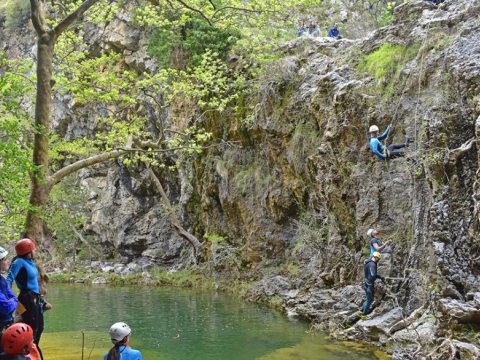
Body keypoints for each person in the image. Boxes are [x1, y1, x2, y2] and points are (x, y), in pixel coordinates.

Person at [6, 239, 45, 345]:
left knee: (40, 327)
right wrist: (8, 296)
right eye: (33, 249)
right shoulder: (18, 262)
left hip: (35, 297)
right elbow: (9, 280)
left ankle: (34, 348)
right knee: (32, 326)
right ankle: (28, 350)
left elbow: (34, 280)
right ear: (28, 251)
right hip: (26, 298)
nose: (35, 251)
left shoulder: (30, 261)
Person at [359, 251, 385, 316]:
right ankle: (364, 315)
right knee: (370, 300)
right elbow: (373, 275)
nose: (379, 260)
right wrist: (377, 277)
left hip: (366, 282)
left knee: (368, 298)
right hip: (369, 284)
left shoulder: (368, 263)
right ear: (375, 257)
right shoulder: (372, 264)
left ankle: (361, 310)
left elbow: (370, 274)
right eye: (378, 259)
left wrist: (379, 277)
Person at [0, 247, 17, 332]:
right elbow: (5, 307)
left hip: (6, 322)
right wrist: (13, 302)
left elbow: (14, 298)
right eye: (5, 259)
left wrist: (12, 302)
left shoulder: (2, 279)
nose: (8, 262)